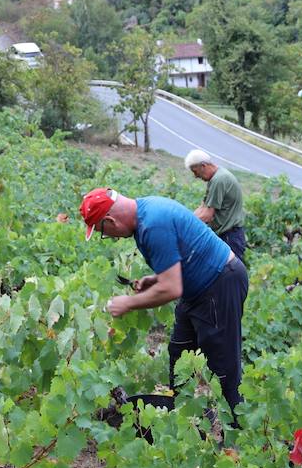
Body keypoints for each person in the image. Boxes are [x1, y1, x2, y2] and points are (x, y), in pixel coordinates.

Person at [79, 187, 248, 415]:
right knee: (180, 352)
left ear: (110, 220)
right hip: (197, 290)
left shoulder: (153, 226)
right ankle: (182, 417)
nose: (110, 237)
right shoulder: (145, 214)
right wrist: (155, 279)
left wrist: (128, 303)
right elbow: (179, 262)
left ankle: (239, 433)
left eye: (103, 231)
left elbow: (171, 288)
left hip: (219, 283)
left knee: (223, 365)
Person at [185, 150, 247, 263]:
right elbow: (203, 208)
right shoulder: (215, 179)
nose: (195, 176)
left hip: (229, 237)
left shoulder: (219, 180)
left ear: (203, 166)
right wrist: (185, 218)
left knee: (232, 274)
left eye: (195, 171)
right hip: (224, 235)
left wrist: (184, 225)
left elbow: (207, 215)